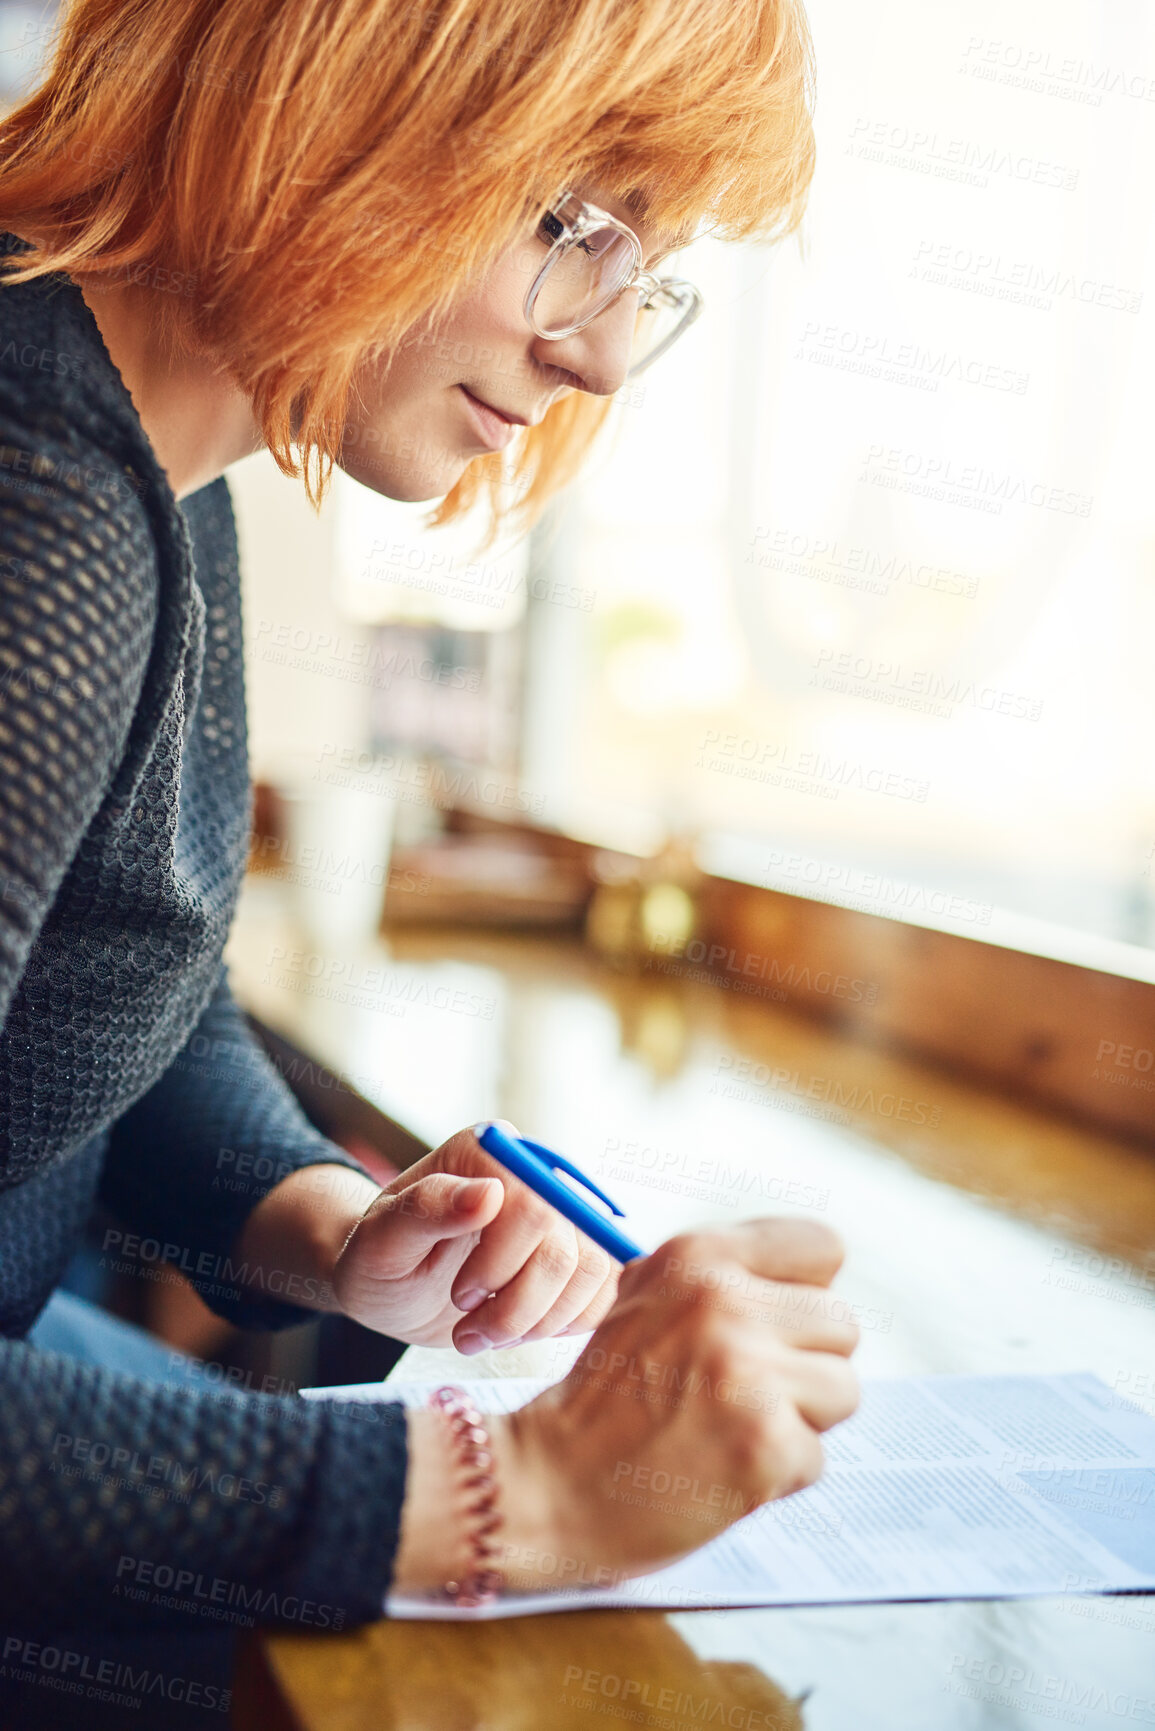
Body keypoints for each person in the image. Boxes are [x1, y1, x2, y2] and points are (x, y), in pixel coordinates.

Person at [0, 0, 857, 1626]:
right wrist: (516, 1494)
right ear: (330, 97)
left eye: (645, 275)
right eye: (567, 226)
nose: (601, 351)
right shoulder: (35, 505)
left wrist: (337, 1227)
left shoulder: (149, 463)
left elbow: (106, 993)